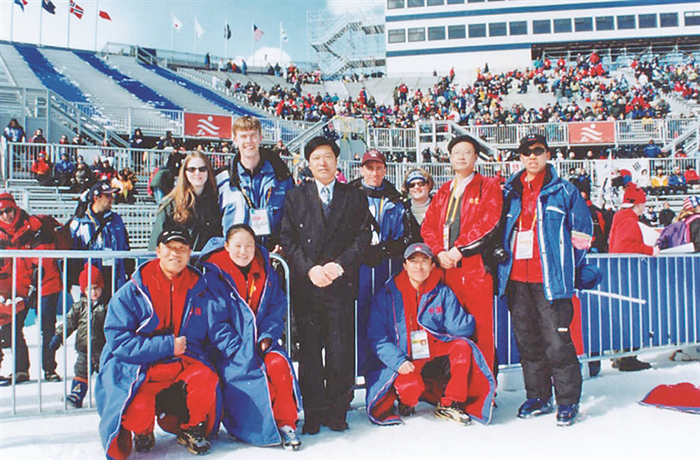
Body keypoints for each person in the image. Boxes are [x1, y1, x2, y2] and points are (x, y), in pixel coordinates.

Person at [96, 229, 219, 458]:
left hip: (182, 365)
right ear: (158, 251)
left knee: (206, 376)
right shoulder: (131, 292)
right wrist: (166, 346)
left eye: (182, 249)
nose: (176, 254)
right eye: (170, 248)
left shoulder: (200, 289)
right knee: (136, 409)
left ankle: (190, 427)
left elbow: (214, 330)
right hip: (143, 370)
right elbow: (119, 341)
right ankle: (143, 431)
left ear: (189, 253)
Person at [497, 133, 593, 426]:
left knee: (558, 342)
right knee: (528, 342)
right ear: (520, 157)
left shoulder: (565, 191)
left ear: (548, 154)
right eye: (526, 152)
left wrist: (568, 269)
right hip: (517, 280)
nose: (532, 157)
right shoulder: (510, 192)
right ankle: (538, 396)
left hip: (551, 281)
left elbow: (582, 235)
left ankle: (567, 400)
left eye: (538, 151)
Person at [280, 136, 370, 434]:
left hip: (340, 283)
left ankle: (338, 410)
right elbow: (287, 239)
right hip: (308, 286)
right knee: (309, 351)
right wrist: (309, 270)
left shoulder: (353, 196)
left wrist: (339, 265)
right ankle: (314, 412)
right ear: (308, 163)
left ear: (336, 161)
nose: (322, 162)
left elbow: (363, 237)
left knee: (340, 349)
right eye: (316, 157)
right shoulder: (295, 197)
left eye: (328, 156)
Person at [365, 243, 495, 426]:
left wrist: (466, 320)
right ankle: (405, 401)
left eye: (424, 261)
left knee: (462, 347)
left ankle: (449, 403)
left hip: (432, 351)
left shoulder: (442, 292)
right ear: (404, 265)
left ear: (433, 266)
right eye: (413, 261)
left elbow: (459, 330)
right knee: (410, 388)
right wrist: (399, 362)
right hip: (405, 357)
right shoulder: (387, 294)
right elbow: (377, 337)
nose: (419, 267)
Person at [200, 224, 303, 450]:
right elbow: (215, 322)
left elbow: (276, 307)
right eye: (237, 246)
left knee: (278, 363)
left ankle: (286, 422)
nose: (243, 251)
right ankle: (260, 426)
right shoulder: (215, 276)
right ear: (227, 246)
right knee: (255, 382)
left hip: (260, 342)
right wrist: (236, 348)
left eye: (249, 246)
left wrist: (267, 336)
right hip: (231, 350)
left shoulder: (265, 271)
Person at [421, 134, 503, 374]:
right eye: (456, 152)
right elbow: (428, 226)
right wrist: (438, 252)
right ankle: (454, 385)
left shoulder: (487, 186)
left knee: (480, 330)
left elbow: (489, 222)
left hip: (475, 268)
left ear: (476, 157)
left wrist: (460, 249)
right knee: (450, 329)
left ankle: (483, 386)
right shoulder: (444, 190)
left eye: (467, 152)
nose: (461, 157)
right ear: (449, 157)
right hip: (446, 270)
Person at [349, 149, 405, 376]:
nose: (374, 173)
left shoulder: (394, 198)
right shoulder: (350, 194)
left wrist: (387, 248)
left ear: (385, 170)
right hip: (358, 266)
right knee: (358, 316)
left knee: (384, 315)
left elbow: (401, 233)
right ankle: (358, 369)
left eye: (379, 168)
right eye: (370, 168)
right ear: (361, 169)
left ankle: (384, 370)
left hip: (385, 265)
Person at [0, 192, 63, 385]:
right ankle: (21, 370)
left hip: (45, 283)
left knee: (47, 328)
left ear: (15, 208)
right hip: (19, 287)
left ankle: (49, 369)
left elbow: (44, 258)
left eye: (8, 210)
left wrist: (34, 286)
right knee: (13, 327)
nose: (5, 215)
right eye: (1, 212)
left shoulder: (34, 225)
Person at [217, 116, 293, 250]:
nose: (249, 141)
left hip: (273, 254)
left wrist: (284, 245)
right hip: (237, 253)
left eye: (253, 136)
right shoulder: (223, 180)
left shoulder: (282, 177)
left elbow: (293, 218)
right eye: (243, 136)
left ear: (260, 138)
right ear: (235, 139)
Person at [607, 183, 658, 371]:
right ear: (638, 204)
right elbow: (625, 247)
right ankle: (628, 357)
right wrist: (650, 250)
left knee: (623, 314)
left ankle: (621, 355)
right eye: (643, 203)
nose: (645, 207)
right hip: (628, 274)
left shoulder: (621, 218)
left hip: (621, 273)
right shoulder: (629, 221)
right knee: (631, 314)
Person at [49, 264, 107, 408]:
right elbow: (69, 323)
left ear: (101, 287)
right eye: (89, 289)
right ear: (83, 290)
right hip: (84, 348)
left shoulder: (107, 306)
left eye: (96, 288)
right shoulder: (79, 306)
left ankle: (110, 396)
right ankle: (76, 395)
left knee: (107, 372)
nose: (93, 292)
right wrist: (58, 336)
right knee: (81, 372)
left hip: (103, 348)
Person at [149, 152, 222, 252]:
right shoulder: (170, 205)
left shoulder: (215, 203)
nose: (197, 173)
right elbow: (155, 244)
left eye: (202, 169)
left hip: (206, 261)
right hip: (179, 260)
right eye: (192, 169)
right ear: (185, 172)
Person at [69, 182, 131, 295]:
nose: (112, 198)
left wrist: (129, 271)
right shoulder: (79, 222)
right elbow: (72, 252)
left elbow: (125, 246)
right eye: (107, 195)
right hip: (91, 278)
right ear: (96, 198)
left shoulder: (117, 220)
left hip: (114, 276)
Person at [401, 169, 434, 245]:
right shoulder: (402, 209)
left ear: (428, 186)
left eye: (421, 184)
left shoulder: (439, 207)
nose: (416, 187)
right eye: (412, 185)